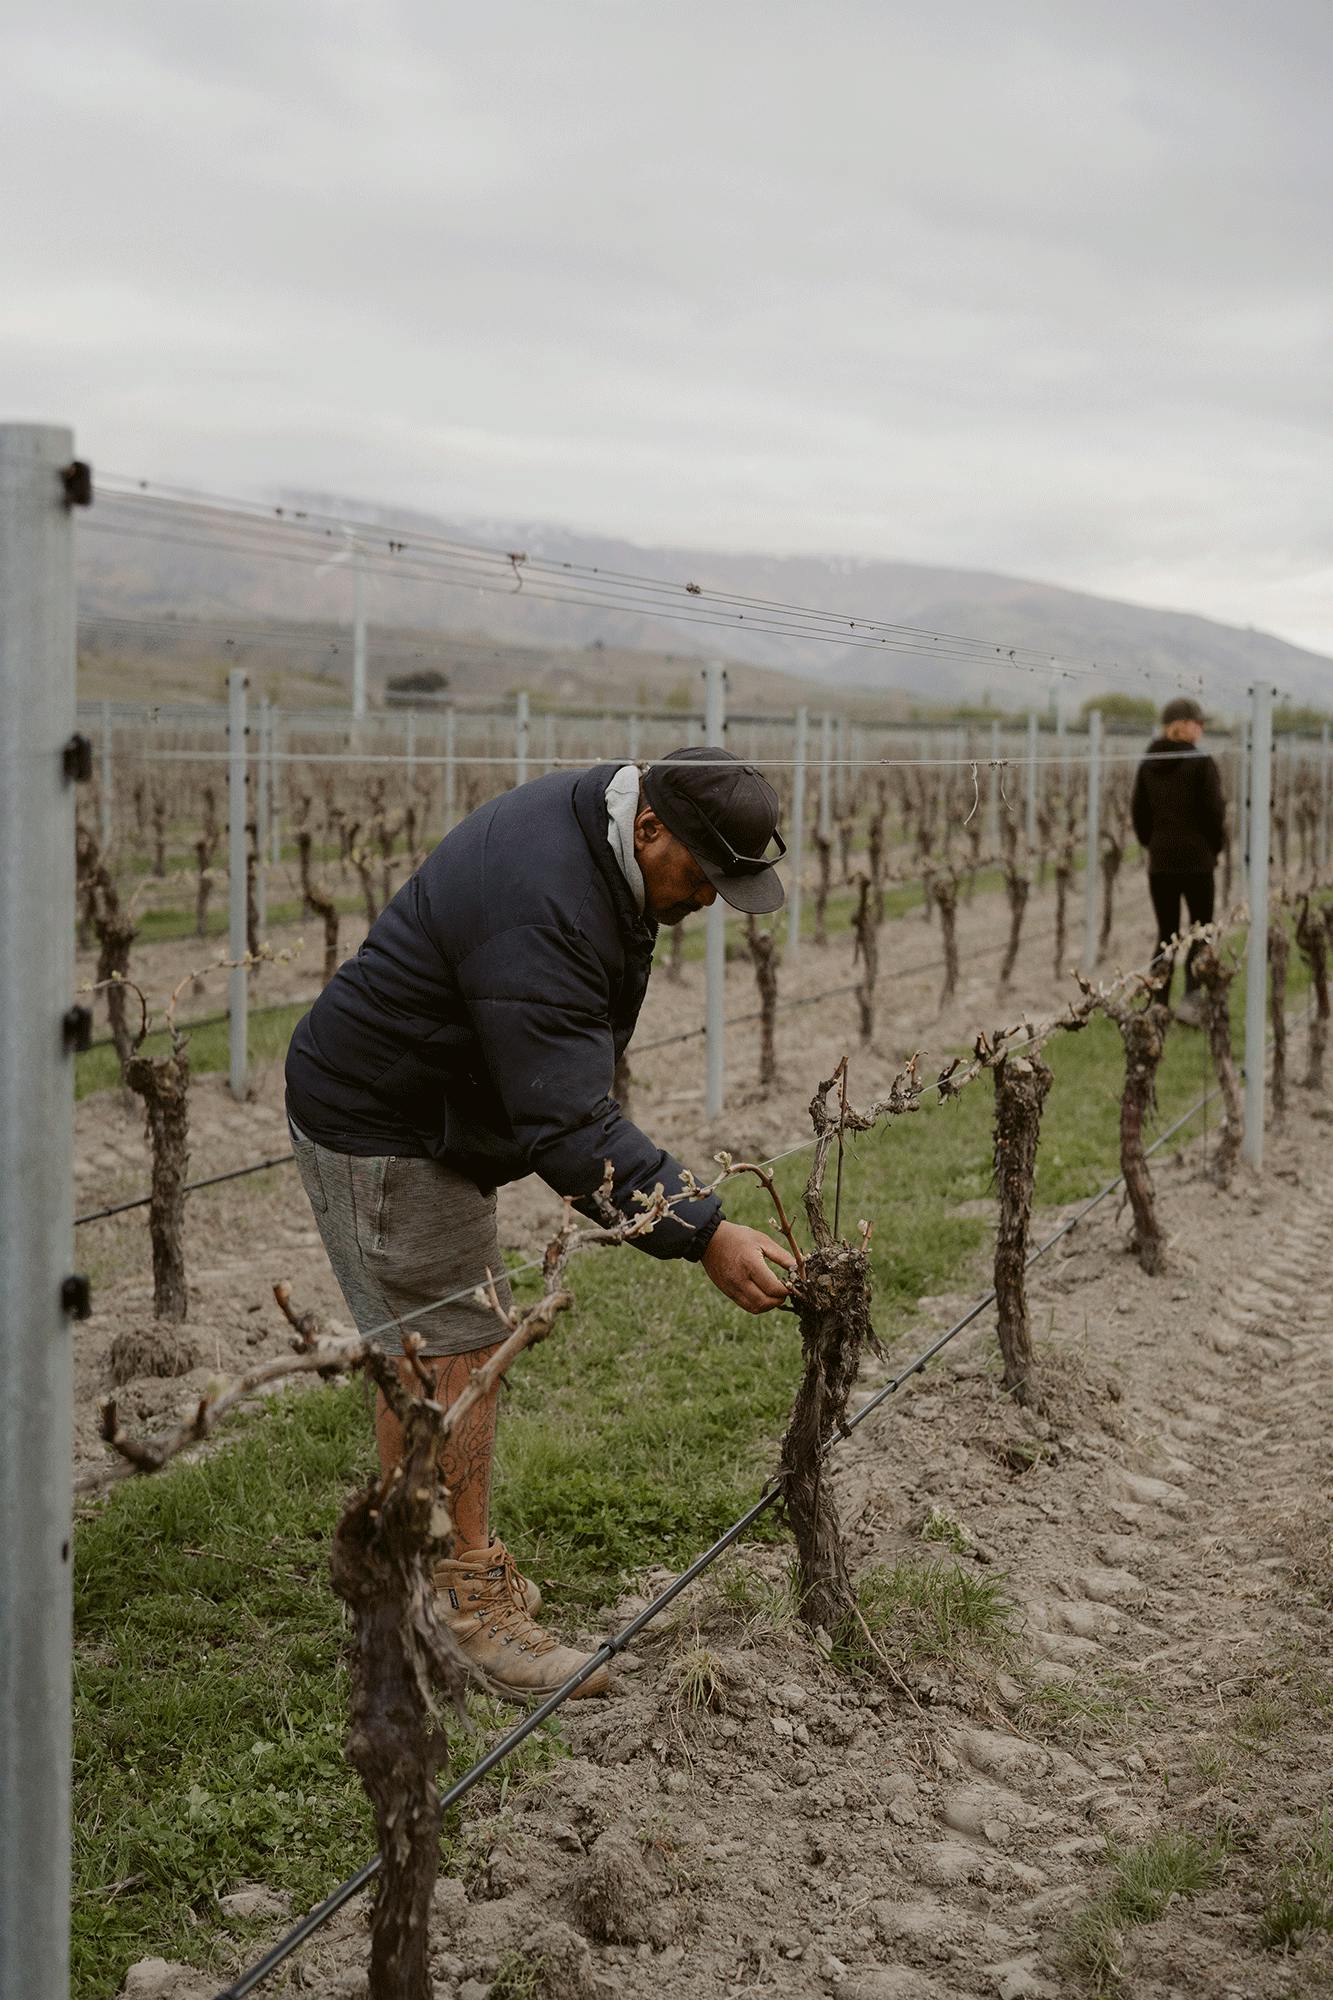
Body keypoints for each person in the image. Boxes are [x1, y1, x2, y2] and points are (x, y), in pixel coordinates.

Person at [284, 746, 797, 1701]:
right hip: (384, 1120)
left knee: (433, 1349)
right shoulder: (546, 899)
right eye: (704, 875)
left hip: (432, 1105)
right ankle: (462, 1611)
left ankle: (421, 1579)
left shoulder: (601, 832)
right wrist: (703, 1230)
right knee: (452, 1352)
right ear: (650, 829)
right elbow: (566, 1126)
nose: (710, 901)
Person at [1131, 696, 1226, 1025]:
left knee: (1166, 933)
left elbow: (1139, 814)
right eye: (1197, 722)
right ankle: (1191, 1001)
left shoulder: (1147, 762)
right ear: (1181, 725)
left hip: (1161, 862)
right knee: (1201, 931)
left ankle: (1157, 1003)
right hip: (1198, 862)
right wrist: (1214, 848)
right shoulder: (1202, 763)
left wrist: (1154, 845)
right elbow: (1215, 813)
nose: (1201, 728)